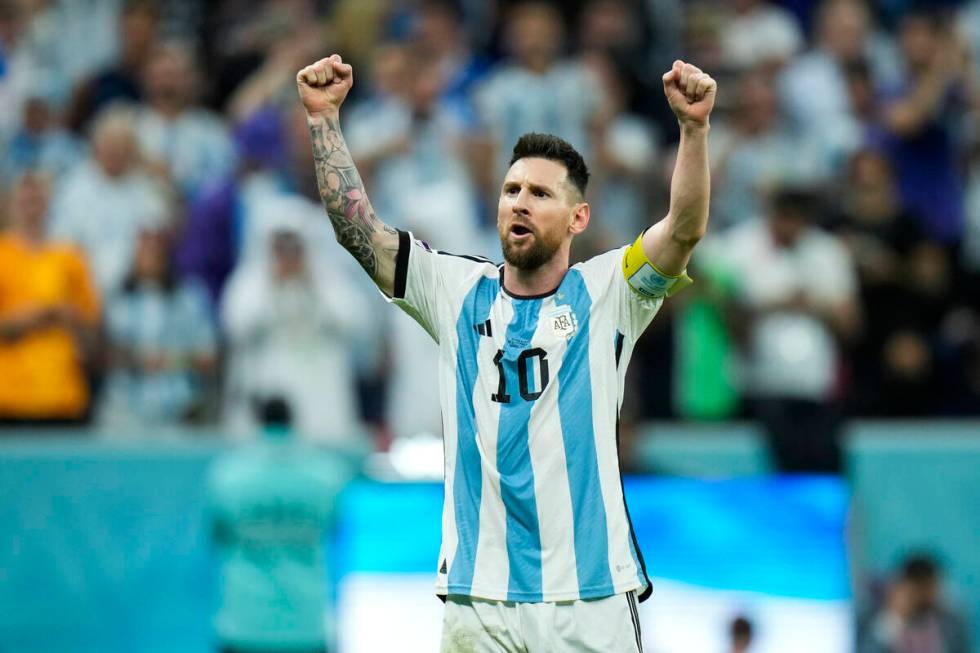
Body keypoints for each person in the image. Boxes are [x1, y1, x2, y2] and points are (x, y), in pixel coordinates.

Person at [296, 52, 716, 650]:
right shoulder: (452, 291)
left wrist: (694, 130)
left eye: (540, 193)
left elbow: (683, 229)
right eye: (510, 189)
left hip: (588, 595)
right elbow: (357, 230)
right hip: (479, 597)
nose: (519, 201)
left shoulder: (610, 292)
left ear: (579, 217)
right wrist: (323, 120)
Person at [207, 396, 353, 653]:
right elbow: (336, 529)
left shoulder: (228, 475)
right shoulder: (327, 474)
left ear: (258, 421)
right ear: (292, 421)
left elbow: (217, 535)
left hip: (244, 624)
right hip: (306, 626)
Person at [0, 171, 100, 425]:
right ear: (9, 205)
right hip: (9, 398)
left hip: (63, 396)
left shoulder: (70, 256)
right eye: (24, 202)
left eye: (37, 201)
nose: (31, 210)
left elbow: (90, 332)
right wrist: (46, 313)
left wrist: (72, 321)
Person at [858, 554, 972, 653]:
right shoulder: (874, 615)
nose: (925, 595)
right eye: (919, 588)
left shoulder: (951, 619)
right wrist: (893, 617)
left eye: (931, 587)